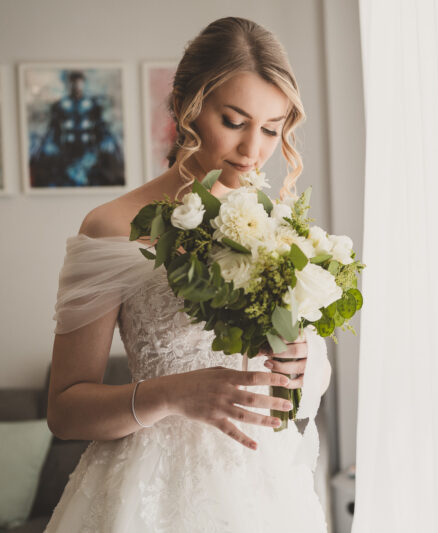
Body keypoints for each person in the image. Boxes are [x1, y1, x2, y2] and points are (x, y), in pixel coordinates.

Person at [44, 17, 331, 532]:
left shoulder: (275, 225)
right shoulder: (111, 227)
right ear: (184, 106)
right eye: (234, 120)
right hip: (149, 494)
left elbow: (294, 391)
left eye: (271, 129)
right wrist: (172, 394)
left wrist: (298, 361)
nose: (253, 150)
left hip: (263, 494)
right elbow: (65, 411)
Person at [29, 70, 125, 188]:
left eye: (79, 83)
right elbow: (53, 129)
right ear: (69, 84)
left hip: (89, 150)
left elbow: (101, 128)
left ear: (84, 84)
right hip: (66, 151)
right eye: (73, 83)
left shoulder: (93, 105)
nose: (76, 86)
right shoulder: (60, 105)